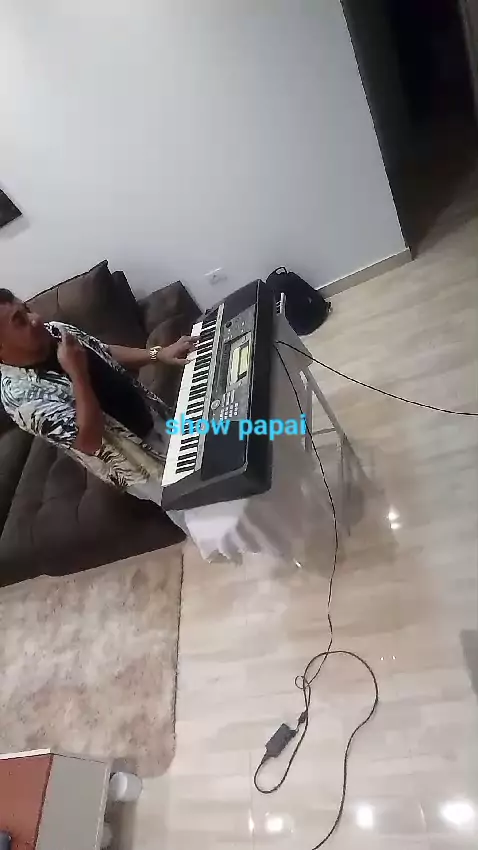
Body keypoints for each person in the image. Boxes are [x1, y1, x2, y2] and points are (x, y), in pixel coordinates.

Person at [0, 288, 196, 504]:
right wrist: (78, 374)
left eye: (27, 309)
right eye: (20, 321)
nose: (36, 319)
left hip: (157, 416)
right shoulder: (20, 400)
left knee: (215, 463)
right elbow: (88, 441)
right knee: (197, 505)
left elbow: (102, 350)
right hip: (143, 463)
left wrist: (158, 353)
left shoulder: (55, 331)